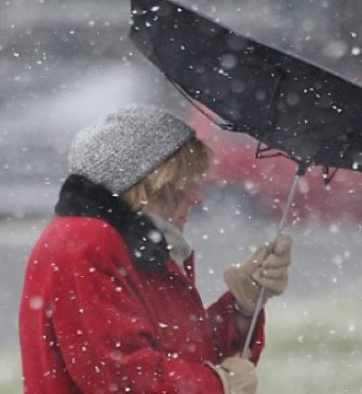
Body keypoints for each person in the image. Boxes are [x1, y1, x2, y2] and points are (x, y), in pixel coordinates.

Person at [19, 104, 293, 393]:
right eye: (186, 184)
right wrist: (217, 384)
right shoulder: (86, 239)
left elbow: (185, 350)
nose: (197, 198)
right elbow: (118, 374)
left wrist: (241, 308)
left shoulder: (139, 246)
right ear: (151, 184)